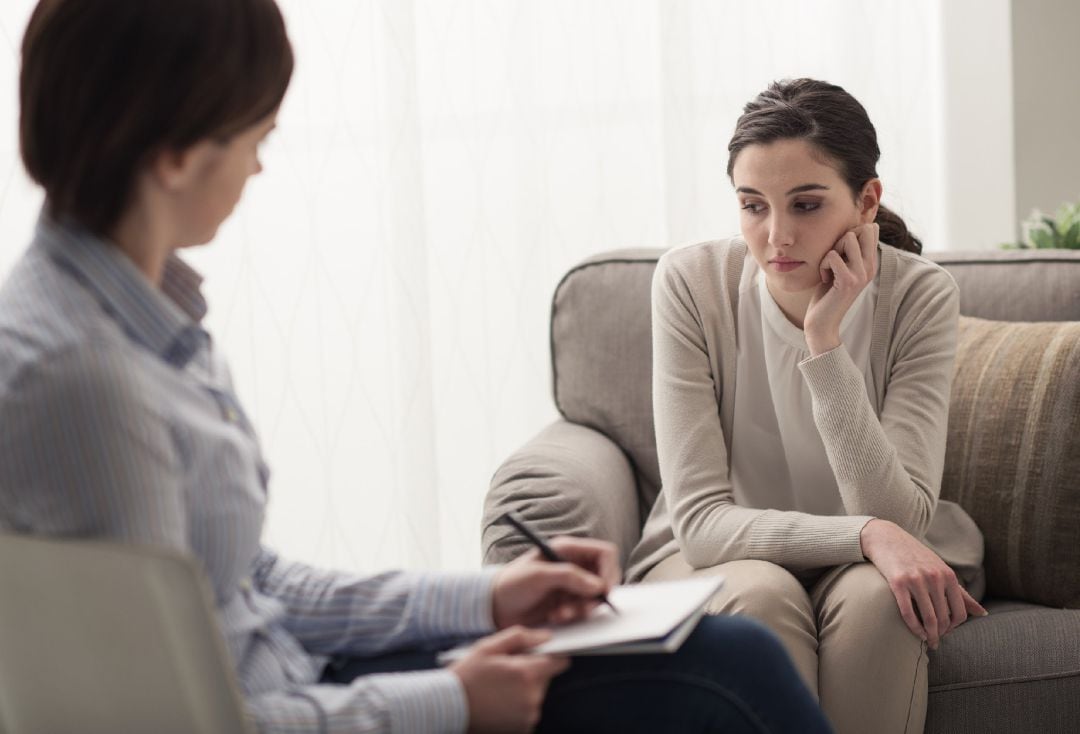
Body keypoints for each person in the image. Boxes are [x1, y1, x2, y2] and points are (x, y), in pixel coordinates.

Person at [0, 2, 833, 732]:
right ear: (176, 155)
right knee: (730, 672)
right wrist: (452, 701)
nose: (258, 165)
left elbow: (245, 584)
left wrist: (482, 600)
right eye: (256, 134)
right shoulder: (83, 380)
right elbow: (171, 720)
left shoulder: (148, 318)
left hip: (306, 681)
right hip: (303, 705)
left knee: (727, 651)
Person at [625, 79, 987, 734]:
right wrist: (865, 535)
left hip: (871, 560)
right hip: (724, 555)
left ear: (866, 200)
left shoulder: (922, 297)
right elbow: (702, 524)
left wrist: (823, 343)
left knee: (885, 601)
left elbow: (899, 516)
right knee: (761, 596)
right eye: (753, 206)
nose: (777, 236)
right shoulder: (688, 283)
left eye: (806, 204)